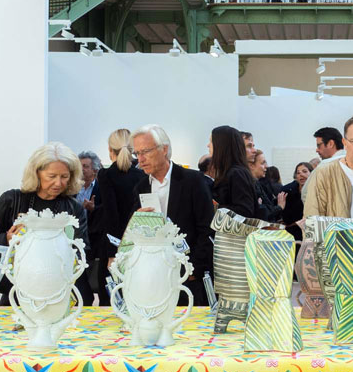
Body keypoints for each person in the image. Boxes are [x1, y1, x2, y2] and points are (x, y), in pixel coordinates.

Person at [0, 143, 88, 306]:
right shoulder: (12, 200)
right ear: (36, 173)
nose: (58, 183)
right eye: (51, 176)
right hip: (16, 294)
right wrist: (6, 239)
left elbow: (82, 249)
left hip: (58, 293)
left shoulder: (74, 208)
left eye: (64, 177)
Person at [130, 124, 214, 305]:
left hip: (188, 275)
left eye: (145, 151)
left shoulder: (193, 181)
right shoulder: (141, 187)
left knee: (190, 329)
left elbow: (206, 228)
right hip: (155, 275)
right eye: (137, 153)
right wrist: (137, 219)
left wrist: (194, 269)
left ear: (164, 149)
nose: (140, 159)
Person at [96, 128, 146, 268]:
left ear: (110, 149)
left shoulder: (106, 175)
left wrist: (113, 253)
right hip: (136, 241)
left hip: (114, 242)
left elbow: (111, 214)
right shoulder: (142, 176)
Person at [208, 125, 258, 219]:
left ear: (221, 145)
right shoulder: (229, 172)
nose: (208, 145)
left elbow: (245, 210)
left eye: (211, 141)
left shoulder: (236, 173)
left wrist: (215, 207)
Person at [76, 151, 105, 305]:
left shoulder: (102, 188)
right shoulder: (73, 189)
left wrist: (94, 208)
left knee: (96, 281)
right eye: (79, 166)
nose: (82, 170)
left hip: (95, 240)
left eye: (85, 166)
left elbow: (106, 210)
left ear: (94, 169)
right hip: (77, 239)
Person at [301, 126, 345, 201]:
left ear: (331, 144)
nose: (317, 150)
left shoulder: (323, 167)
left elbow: (306, 195)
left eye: (319, 145)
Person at [278, 162, 312, 242]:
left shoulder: (316, 190)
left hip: (310, 232)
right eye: (298, 173)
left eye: (304, 171)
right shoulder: (287, 191)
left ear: (311, 173)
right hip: (292, 233)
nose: (301, 174)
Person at [250, 149, 282, 222]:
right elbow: (261, 213)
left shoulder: (257, 183)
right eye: (263, 163)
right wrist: (280, 207)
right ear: (251, 165)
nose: (266, 166)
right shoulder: (252, 185)